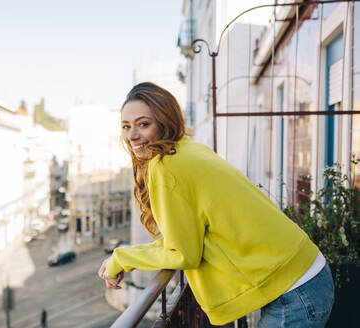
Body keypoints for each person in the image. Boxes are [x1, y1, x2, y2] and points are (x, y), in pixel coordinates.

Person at [98, 82, 334, 327]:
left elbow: (182, 253)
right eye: (126, 127)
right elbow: (186, 237)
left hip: (295, 291)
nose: (132, 135)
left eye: (143, 124)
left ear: (164, 121)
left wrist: (121, 258)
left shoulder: (167, 167)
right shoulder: (187, 150)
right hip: (302, 277)